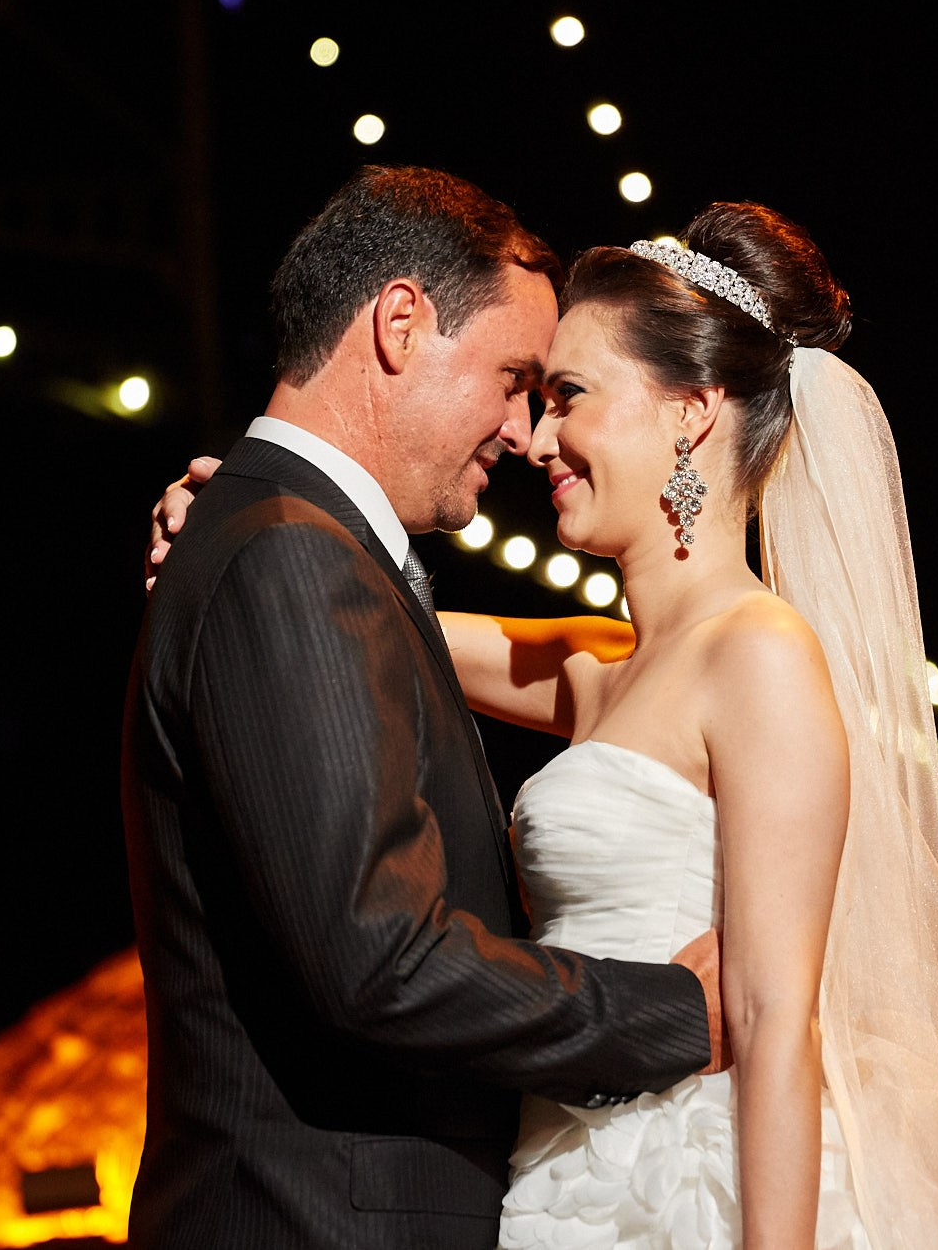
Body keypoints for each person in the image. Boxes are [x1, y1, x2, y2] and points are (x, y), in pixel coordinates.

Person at [149, 201, 938, 1247]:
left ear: (689, 412)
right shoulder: (596, 665)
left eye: (567, 395)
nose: (535, 438)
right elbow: (362, 613)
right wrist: (240, 517)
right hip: (559, 1179)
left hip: (695, 1184)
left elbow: (774, 1028)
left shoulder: (759, 654)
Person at [120, 165, 724, 1250]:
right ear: (399, 324)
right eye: (512, 378)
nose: (522, 430)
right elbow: (382, 960)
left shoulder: (290, 549)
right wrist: (681, 1014)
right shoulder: (290, 559)